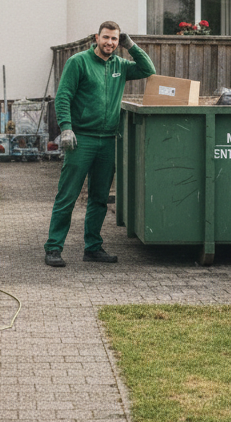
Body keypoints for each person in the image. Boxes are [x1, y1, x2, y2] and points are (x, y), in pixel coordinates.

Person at [44, 21, 155, 267]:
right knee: (68, 195)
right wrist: (66, 128)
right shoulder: (78, 62)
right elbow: (63, 96)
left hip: (108, 141)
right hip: (80, 140)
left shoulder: (120, 65)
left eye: (115, 39)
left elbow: (148, 69)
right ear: (97, 37)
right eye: (106, 38)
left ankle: (92, 247)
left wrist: (131, 45)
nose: (110, 43)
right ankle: (53, 247)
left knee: (99, 198)